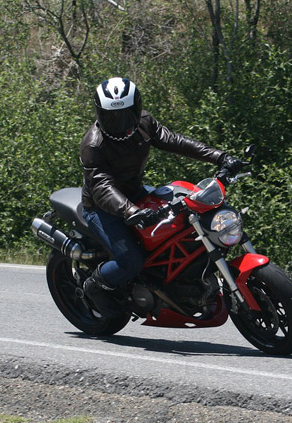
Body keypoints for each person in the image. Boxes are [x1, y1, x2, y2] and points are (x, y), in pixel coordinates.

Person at [79, 77, 242, 317]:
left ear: (136, 109)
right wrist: (130, 211)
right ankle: (95, 285)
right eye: (112, 117)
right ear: (100, 114)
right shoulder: (93, 145)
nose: (120, 123)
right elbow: (102, 186)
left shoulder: (144, 123)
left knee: (185, 224)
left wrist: (219, 157)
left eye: (125, 114)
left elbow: (175, 141)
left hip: (136, 195)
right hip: (102, 208)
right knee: (132, 261)